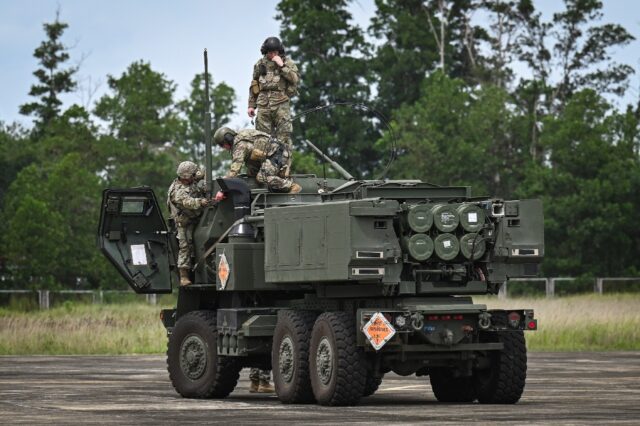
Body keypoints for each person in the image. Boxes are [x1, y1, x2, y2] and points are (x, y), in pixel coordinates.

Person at [248, 36, 299, 175]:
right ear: (265, 52)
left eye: (275, 52)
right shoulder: (260, 64)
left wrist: (282, 66)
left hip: (281, 104)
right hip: (263, 105)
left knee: (284, 138)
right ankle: (265, 170)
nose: (272, 55)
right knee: (262, 139)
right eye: (270, 52)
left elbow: (295, 79)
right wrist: (251, 105)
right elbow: (254, 85)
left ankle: (284, 169)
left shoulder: (287, 62)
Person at [213, 126, 302, 194]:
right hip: (268, 156)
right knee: (251, 174)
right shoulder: (238, 140)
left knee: (262, 177)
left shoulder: (240, 145)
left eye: (222, 144)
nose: (223, 147)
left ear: (228, 139)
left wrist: (224, 180)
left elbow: (235, 170)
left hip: (278, 154)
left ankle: (291, 186)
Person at [167, 161, 209, 286]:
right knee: (185, 247)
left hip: (197, 218)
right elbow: (187, 202)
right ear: (186, 177)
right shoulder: (177, 191)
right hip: (184, 222)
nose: (193, 178)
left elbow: (201, 173)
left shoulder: (192, 178)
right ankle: (184, 276)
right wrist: (201, 202)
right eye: (192, 176)